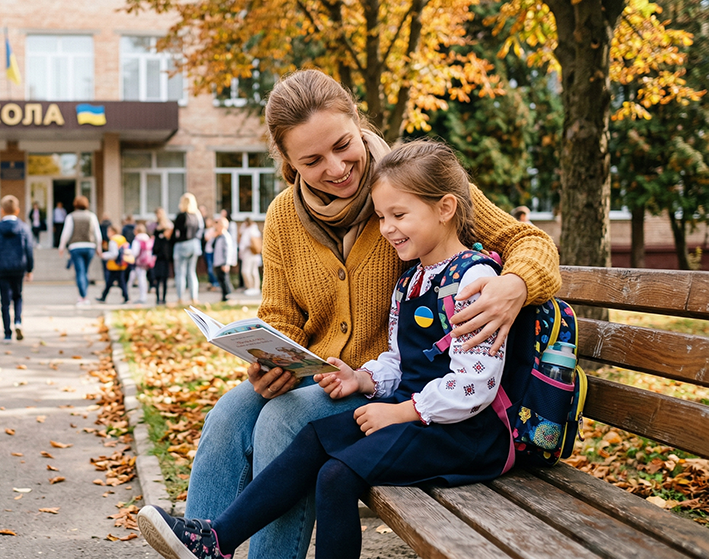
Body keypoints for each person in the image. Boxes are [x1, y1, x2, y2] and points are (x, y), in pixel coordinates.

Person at [183, 69, 562, 559]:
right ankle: (199, 545)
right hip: (327, 375)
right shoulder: (283, 215)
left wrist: (516, 283)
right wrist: (268, 358)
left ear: (357, 122)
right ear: (289, 163)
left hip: (390, 386)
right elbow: (281, 313)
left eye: (343, 145)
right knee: (230, 413)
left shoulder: (411, 182)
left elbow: (528, 241)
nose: (337, 168)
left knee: (281, 421)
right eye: (313, 161)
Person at [139, 139, 516, 559]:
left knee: (333, 472)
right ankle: (214, 540)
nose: (387, 227)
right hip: (411, 412)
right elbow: (398, 356)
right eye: (380, 217)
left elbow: (475, 385)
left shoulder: (474, 281)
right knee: (300, 433)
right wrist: (362, 377)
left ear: (445, 209)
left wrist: (401, 411)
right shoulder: (411, 280)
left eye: (398, 215)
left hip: (461, 431)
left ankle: (219, 539)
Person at [0, 195, 34, 344]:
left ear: (2, 211)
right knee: (18, 295)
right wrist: (29, 269)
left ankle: (7, 334)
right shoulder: (24, 228)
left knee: (5, 301)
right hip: (18, 267)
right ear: (18, 210)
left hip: (2, 268)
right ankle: (18, 321)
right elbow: (29, 249)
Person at [58, 195, 102, 306]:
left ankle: (83, 297)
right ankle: (84, 295)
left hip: (76, 247)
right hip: (90, 247)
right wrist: (99, 247)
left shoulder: (71, 217)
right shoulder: (91, 216)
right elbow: (97, 233)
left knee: (80, 272)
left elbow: (66, 233)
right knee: (85, 272)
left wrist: (62, 246)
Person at [172, 193, 204, 304]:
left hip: (182, 244)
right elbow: (201, 230)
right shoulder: (197, 216)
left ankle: (180, 298)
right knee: (191, 272)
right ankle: (194, 298)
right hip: (194, 244)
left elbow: (175, 232)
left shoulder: (181, 216)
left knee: (180, 272)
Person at [97, 225, 131, 304]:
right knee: (121, 282)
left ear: (112, 232)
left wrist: (104, 255)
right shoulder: (122, 239)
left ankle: (104, 297)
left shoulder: (113, 240)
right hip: (122, 264)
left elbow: (114, 254)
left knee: (110, 282)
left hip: (114, 265)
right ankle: (126, 297)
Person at [210, 216, 237, 303]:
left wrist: (226, 263)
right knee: (220, 279)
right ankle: (223, 295)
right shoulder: (219, 237)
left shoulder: (226, 237)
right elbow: (212, 246)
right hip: (217, 261)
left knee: (224, 279)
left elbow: (228, 251)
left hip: (223, 262)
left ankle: (227, 294)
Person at [151, 210, 173, 306]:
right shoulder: (156, 228)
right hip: (158, 256)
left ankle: (163, 298)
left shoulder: (168, 229)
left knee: (164, 279)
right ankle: (157, 298)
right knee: (157, 278)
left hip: (165, 256)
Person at [238, 217, 263, 295]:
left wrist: (240, 252)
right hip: (255, 254)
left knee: (246, 271)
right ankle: (256, 288)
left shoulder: (248, 231)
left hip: (248, 254)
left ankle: (251, 287)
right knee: (254, 271)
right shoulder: (256, 230)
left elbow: (243, 244)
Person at [130, 223, 154, 304]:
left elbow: (135, 252)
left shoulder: (137, 240)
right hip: (147, 261)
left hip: (139, 262)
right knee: (143, 278)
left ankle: (142, 296)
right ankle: (144, 296)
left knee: (140, 279)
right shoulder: (147, 239)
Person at [202, 216, 221, 292]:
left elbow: (207, 238)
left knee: (211, 269)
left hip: (212, 252)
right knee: (209, 268)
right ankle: (211, 282)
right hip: (207, 251)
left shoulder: (214, 230)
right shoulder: (207, 230)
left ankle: (215, 283)